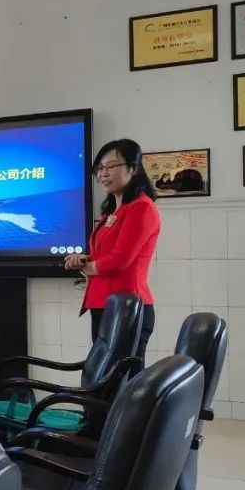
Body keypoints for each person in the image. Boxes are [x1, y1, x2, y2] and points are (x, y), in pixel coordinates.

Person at [65, 138, 160, 364]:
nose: (103, 174)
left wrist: (88, 267)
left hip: (127, 307)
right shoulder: (112, 212)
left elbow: (120, 260)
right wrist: (84, 260)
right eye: (100, 168)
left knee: (123, 380)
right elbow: (105, 255)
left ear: (133, 168)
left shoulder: (141, 207)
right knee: (105, 377)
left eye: (111, 166)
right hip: (105, 305)